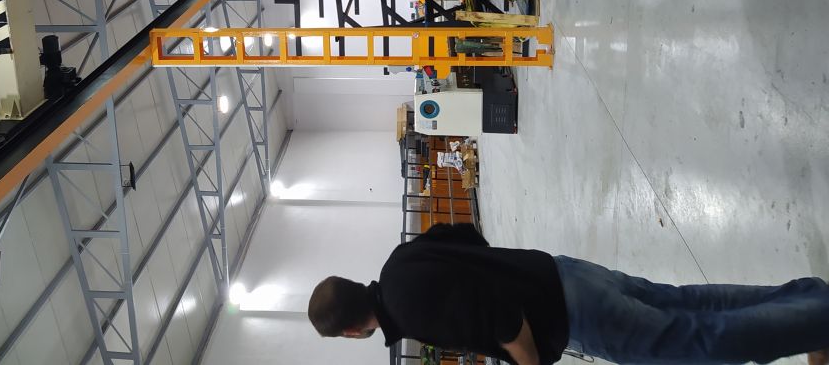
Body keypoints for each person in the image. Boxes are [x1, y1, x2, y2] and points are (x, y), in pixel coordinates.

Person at [307, 223, 829, 365]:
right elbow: (467, 236)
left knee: (697, 341)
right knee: (689, 303)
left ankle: (816, 320)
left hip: (573, 314)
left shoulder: (410, 313)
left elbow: (504, 320)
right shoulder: (399, 261)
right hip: (564, 274)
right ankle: (806, 300)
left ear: (351, 331)